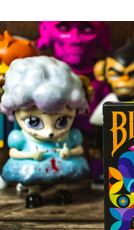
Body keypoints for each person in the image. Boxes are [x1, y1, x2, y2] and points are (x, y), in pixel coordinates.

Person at [0, 56, 90, 208]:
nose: (49, 132)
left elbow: (79, 149)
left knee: (61, 177)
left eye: (62, 121)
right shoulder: (19, 137)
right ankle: (34, 192)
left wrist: (70, 151)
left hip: (61, 164)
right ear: (14, 112)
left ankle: (61, 190)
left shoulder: (70, 136)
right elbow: (13, 152)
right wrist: (30, 155)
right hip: (32, 165)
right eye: (34, 121)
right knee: (32, 180)